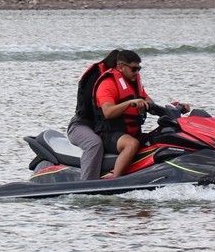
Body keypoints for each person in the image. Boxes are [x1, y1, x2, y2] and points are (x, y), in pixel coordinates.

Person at [93, 50, 190, 179]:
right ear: (121, 67)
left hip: (131, 132)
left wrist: (175, 107)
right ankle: (115, 180)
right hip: (109, 134)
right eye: (134, 69)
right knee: (131, 144)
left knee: (162, 137)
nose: (137, 72)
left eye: (139, 69)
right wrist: (129, 103)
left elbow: (152, 106)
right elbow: (108, 112)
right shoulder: (107, 84)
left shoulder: (134, 85)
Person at [67, 50, 120, 181]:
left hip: (104, 128)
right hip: (81, 125)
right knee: (94, 143)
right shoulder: (97, 78)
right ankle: (87, 183)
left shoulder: (125, 82)